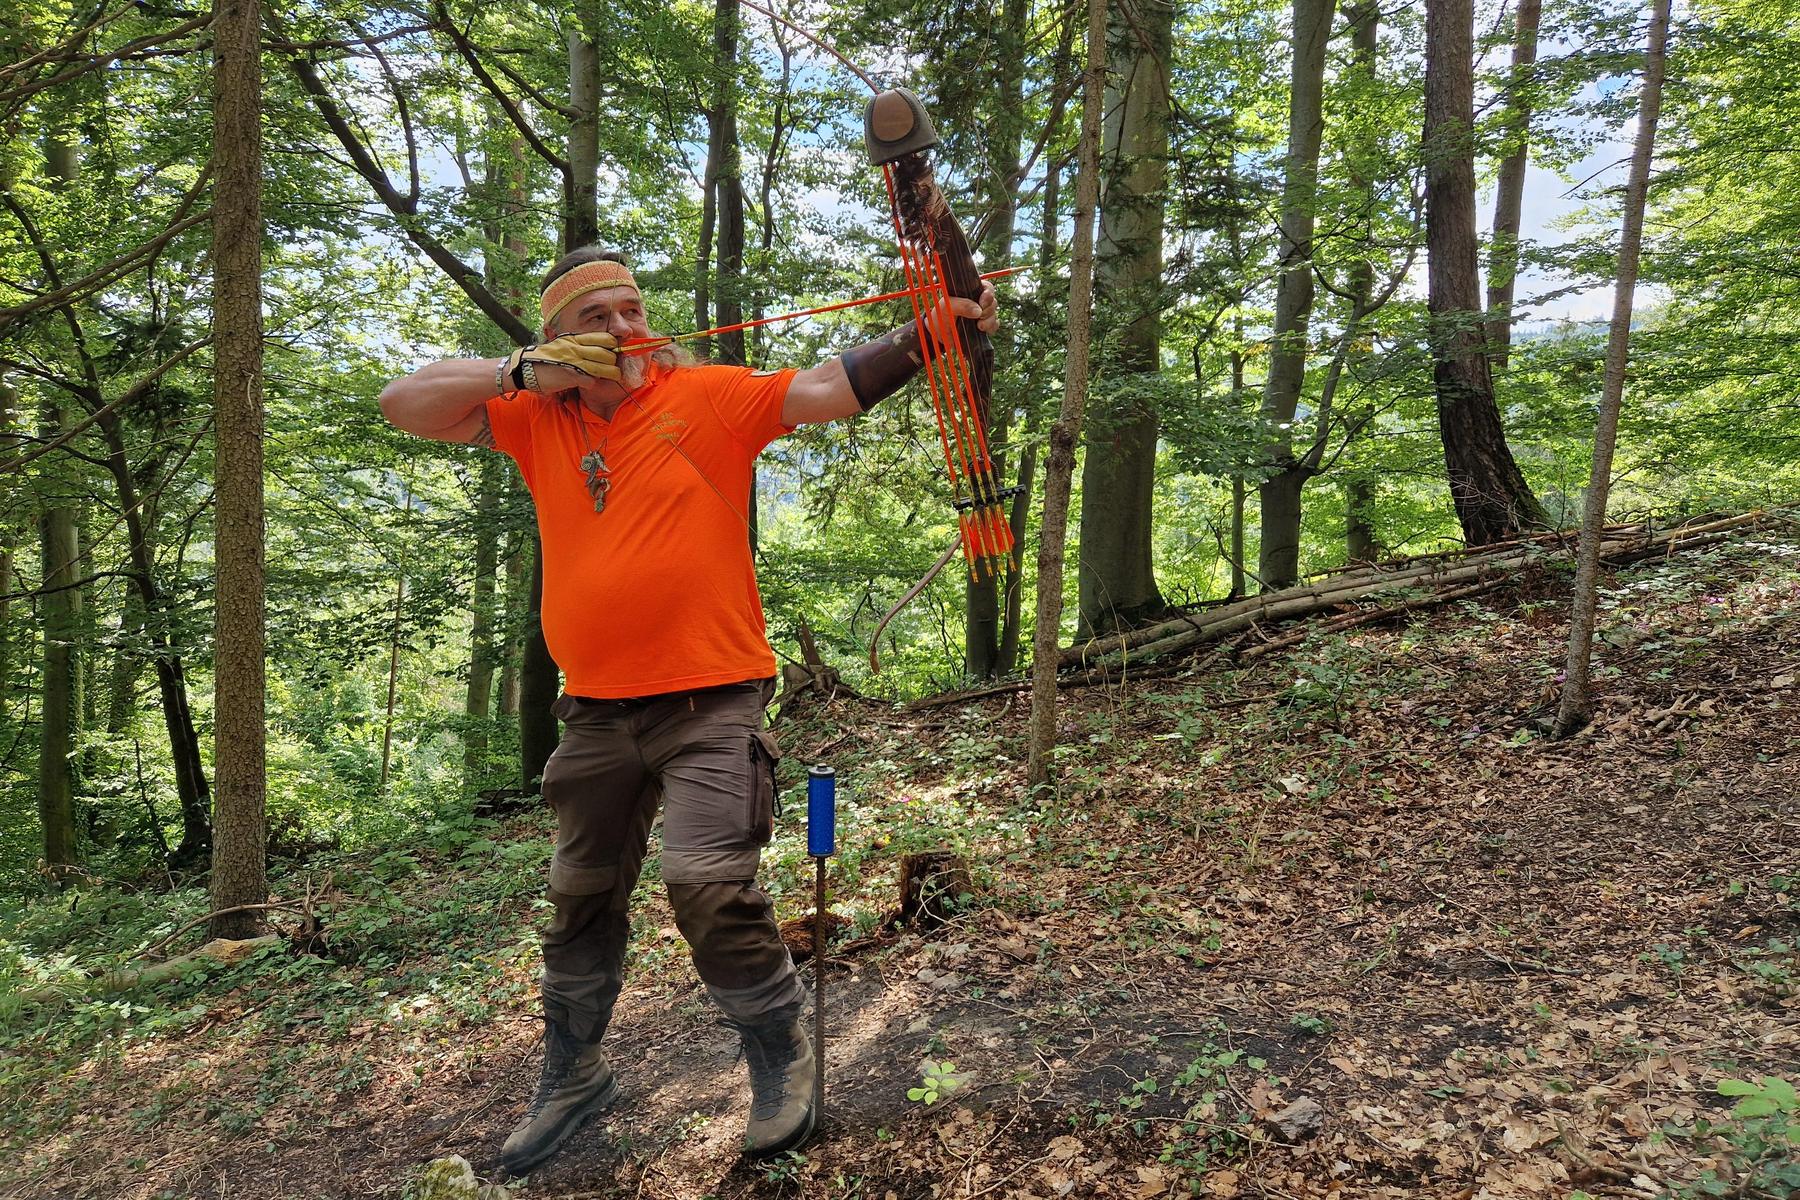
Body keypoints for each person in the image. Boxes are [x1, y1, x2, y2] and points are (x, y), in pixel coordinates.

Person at [378, 248, 999, 1176]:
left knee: (707, 883)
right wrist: (520, 371)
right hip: (592, 714)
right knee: (579, 901)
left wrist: (930, 332)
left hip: (712, 699)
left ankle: (779, 1057)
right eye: (602, 318)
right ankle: (574, 1073)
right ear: (559, 341)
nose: (631, 329)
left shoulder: (705, 395)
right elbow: (402, 402)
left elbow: (827, 386)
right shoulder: (529, 417)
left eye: (635, 311)